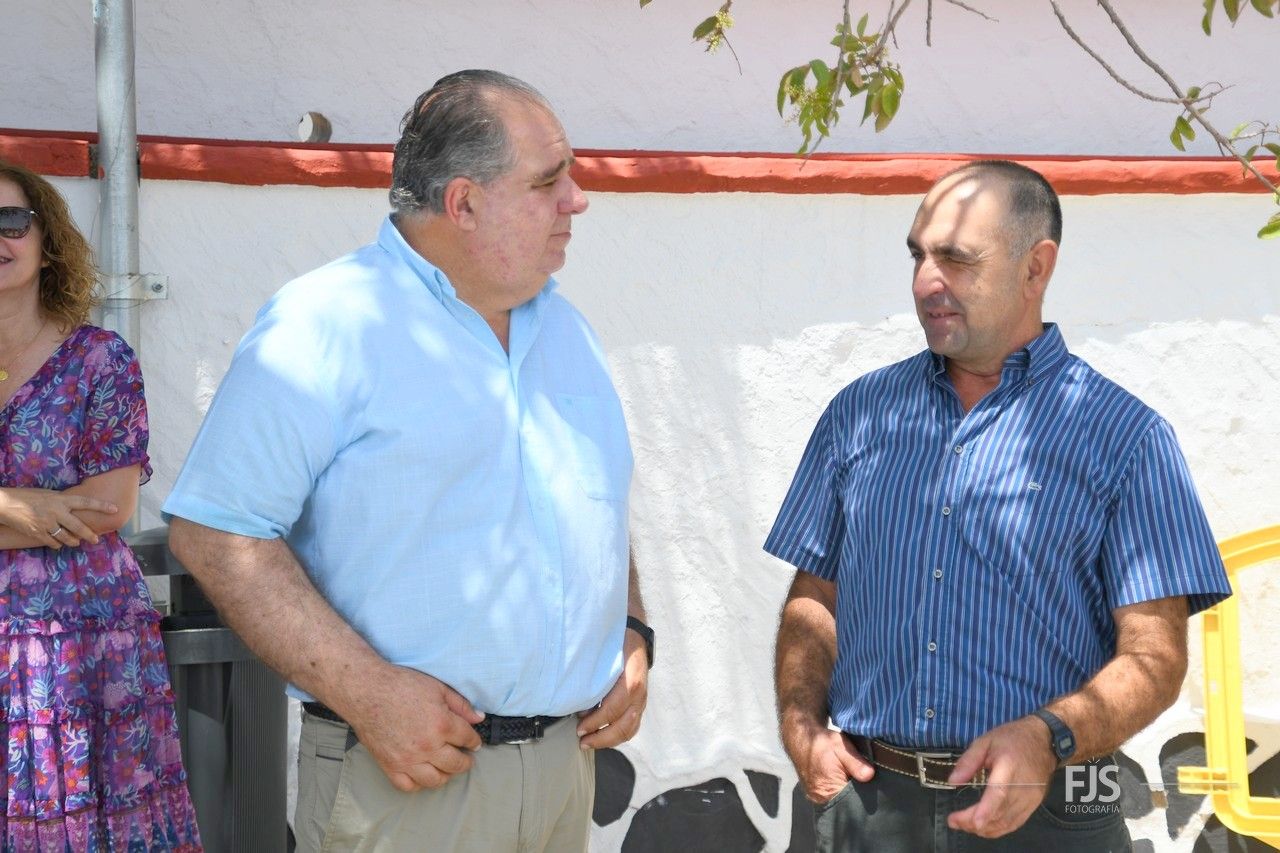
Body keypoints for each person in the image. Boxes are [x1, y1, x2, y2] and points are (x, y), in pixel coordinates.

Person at [163, 70, 651, 853]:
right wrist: (367, 689)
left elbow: (592, 503)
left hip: (566, 777)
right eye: (548, 181)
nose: (577, 200)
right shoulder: (327, 324)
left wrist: (630, 626)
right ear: (464, 202)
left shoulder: (568, 330)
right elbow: (216, 530)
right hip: (408, 783)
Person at [766, 160, 1232, 852]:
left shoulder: (1126, 437)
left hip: (1046, 812)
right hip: (870, 808)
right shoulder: (859, 415)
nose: (927, 281)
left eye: (956, 258)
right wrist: (801, 724)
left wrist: (1047, 736)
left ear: (1035, 268)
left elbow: (1155, 657)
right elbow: (816, 598)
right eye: (919, 256)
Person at [0, 161, 202, 849]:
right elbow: (59, 511)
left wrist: (38, 510)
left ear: (46, 239)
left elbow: (106, 509)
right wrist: (20, 505)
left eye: (11, 221)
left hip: (81, 638)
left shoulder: (100, 360)